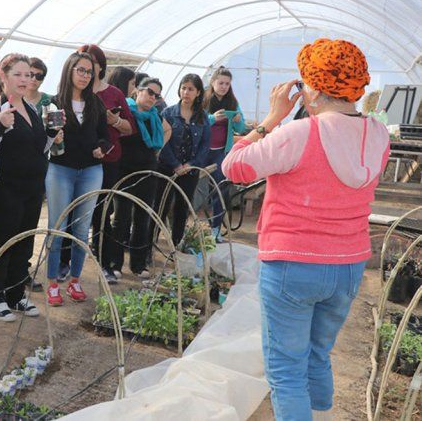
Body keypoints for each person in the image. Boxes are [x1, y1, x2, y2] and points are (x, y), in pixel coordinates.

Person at [222, 38, 389, 421]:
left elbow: (235, 168)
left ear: (311, 87)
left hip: (293, 265)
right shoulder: (378, 136)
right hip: (348, 265)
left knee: (285, 371)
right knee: (317, 355)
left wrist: (270, 120)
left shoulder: (299, 134)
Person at [0, 53, 61, 320]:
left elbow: (38, 149)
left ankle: (15, 294)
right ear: (3, 76)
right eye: (19, 74)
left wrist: (50, 135)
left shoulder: (33, 109)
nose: (26, 80)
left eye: (30, 75)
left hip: (32, 187)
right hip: (4, 187)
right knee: (4, 241)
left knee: (24, 241)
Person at [45, 52, 109, 306]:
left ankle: (75, 280)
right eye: (80, 70)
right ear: (69, 70)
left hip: (92, 170)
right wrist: (53, 137)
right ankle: (52, 282)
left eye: (89, 72)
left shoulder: (96, 104)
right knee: (58, 227)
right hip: (61, 169)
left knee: (82, 229)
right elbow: (48, 137)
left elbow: (105, 136)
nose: (85, 76)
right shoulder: (54, 102)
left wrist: (101, 148)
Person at [77, 44, 134, 284]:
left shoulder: (113, 94)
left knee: (102, 211)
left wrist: (116, 120)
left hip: (108, 160)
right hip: (77, 161)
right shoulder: (74, 92)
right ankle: (67, 263)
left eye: (92, 65)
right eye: (81, 65)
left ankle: (105, 262)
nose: (87, 70)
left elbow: (130, 128)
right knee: (77, 214)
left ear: (101, 67)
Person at [108, 78, 171, 280]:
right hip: (125, 171)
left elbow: (167, 130)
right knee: (121, 218)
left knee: (143, 218)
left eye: (157, 95)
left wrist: (157, 149)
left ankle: (138, 264)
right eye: (150, 92)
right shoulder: (127, 111)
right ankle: (115, 263)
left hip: (148, 172)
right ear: (137, 91)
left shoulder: (155, 116)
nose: (153, 97)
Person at [155, 74, 211, 249]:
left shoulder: (203, 117)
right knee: (160, 207)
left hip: (190, 170)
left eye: (190, 89)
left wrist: (191, 164)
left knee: (182, 208)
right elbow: (163, 144)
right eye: (183, 88)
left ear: (198, 92)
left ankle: (176, 246)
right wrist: (175, 165)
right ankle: (151, 244)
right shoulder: (168, 113)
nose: (186, 92)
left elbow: (205, 145)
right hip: (167, 168)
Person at [203, 66, 245, 242]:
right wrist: (212, 118)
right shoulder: (204, 101)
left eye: (227, 84)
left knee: (221, 189)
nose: (224, 86)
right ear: (213, 83)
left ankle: (215, 229)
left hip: (222, 152)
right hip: (203, 151)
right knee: (197, 189)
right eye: (220, 83)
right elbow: (197, 122)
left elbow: (241, 128)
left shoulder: (233, 103)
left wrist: (237, 120)